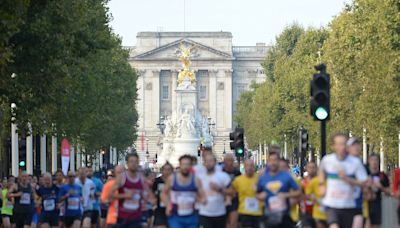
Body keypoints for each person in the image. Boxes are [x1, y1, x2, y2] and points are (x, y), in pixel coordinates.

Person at [319, 133, 368, 228]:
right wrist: (321, 185)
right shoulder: (327, 160)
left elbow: (363, 182)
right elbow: (321, 171)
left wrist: (347, 179)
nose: (342, 147)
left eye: (344, 144)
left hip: (348, 205)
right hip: (331, 204)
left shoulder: (355, 162)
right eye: (339, 144)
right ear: (333, 146)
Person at [257, 151, 301, 228]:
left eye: (275, 160)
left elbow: (298, 192)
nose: (273, 163)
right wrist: (262, 196)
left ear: (278, 162)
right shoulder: (263, 178)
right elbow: (256, 194)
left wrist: (286, 195)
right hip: (269, 215)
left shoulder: (287, 177)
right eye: (271, 160)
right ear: (268, 162)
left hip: (284, 216)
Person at [111, 152, 154, 228]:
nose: (133, 164)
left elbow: (149, 195)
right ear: (127, 163)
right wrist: (125, 195)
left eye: (135, 162)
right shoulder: (122, 177)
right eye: (131, 161)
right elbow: (110, 195)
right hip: (123, 217)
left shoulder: (141, 178)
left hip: (136, 217)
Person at [161, 154, 204, 228]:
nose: (185, 167)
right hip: (175, 216)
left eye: (187, 164)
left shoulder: (196, 180)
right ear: (180, 165)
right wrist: (168, 206)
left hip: (192, 216)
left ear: (191, 166)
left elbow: (202, 196)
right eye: (183, 164)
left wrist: (199, 201)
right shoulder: (172, 178)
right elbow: (163, 194)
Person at [198, 153, 231, 228]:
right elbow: (195, 192)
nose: (208, 163)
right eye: (206, 161)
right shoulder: (199, 177)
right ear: (203, 163)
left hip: (220, 213)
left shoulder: (223, 176)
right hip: (204, 213)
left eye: (211, 161)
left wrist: (219, 189)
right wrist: (200, 199)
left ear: (215, 162)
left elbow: (232, 192)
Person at [231, 159, 263, 228]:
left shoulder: (259, 179)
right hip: (244, 212)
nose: (249, 167)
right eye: (247, 165)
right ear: (244, 167)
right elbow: (232, 193)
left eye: (251, 165)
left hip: (258, 212)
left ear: (254, 167)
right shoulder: (238, 180)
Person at [366, 154, 390, 228]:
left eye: (376, 160)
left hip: (377, 205)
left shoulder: (382, 175)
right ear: (368, 161)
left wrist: (381, 187)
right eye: (372, 160)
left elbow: (389, 192)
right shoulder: (364, 174)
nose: (374, 162)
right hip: (365, 204)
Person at [278, 158, 301, 226]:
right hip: (275, 216)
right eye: (279, 167)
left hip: (291, 216)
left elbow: (299, 196)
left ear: (288, 168)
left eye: (283, 167)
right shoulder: (273, 179)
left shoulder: (294, 180)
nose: (281, 169)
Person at [221, 153, 241, 228]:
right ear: (224, 161)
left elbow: (240, 185)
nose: (229, 163)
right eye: (227, 160)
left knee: (233, 222)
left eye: (231, 160)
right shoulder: (221, 171)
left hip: (234, 200)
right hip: (223, 199)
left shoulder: (237, 172)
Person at [305, 164, 327, 228]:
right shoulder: (314, 181)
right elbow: (307, 195)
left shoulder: (332, 181)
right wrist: (315, 199)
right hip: (317, 213)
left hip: (330, 212)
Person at [152, 162, 173, 228]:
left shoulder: (175, 181)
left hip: (172, 210)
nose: (167, 172)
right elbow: (151, 192)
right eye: (165, 169)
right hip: (159, 210)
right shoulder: (157, 181)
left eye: (169, 169)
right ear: (162, 170)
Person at [302, 162, 318, 228]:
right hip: (306, 212)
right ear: (306, 169)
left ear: (316, 169)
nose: (311, 169)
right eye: (309, 167)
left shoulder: (320, 181)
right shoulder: (303, 182)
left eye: (313, 167)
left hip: (318, 212)